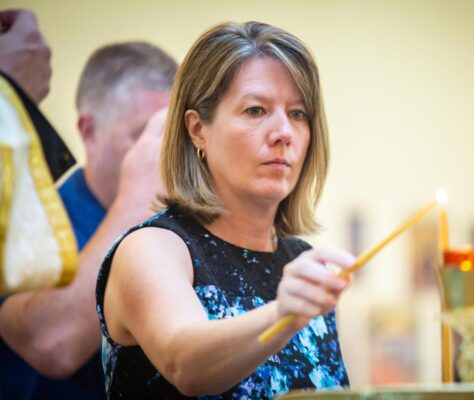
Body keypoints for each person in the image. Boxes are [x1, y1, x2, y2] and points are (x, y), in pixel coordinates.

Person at [96, 21, 355, 399]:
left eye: (298, 114)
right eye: (255, 110)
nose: (284, 132)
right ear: (197, 130)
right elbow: (185, 364)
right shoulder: (153, 248)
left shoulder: (303, 261)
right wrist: (283, 314)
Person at [0, 40, 177, 399]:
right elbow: (52, 344)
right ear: (89, 132)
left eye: (173, 138)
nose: (166, 156)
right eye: (143, 135)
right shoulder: (29, 225)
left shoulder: (178, 229)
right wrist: (137, 202)